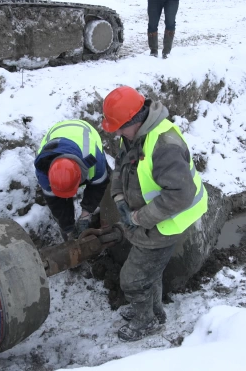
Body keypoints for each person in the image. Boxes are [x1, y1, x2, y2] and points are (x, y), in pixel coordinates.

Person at [101, 86, 208, 342]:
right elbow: (121, 167)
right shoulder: (131, 135)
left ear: (134, 120)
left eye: (118, 127)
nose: (115, 132)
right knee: (149, 272)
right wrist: (119, 196)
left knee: (133, 280)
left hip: (168, 221)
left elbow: (181, 194)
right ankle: (153, 311)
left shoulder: (163, 145)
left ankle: (146, 321)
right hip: (149, 216)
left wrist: (140, 218)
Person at [34, 120, 110, 241]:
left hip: (85, 131)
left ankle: (101, 213)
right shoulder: (43, 173)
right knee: (63, 216)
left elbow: (98, 186)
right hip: (58, 132)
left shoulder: (94, 160)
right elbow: (56, 203)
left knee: (105, 181)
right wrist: (68, 228)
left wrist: (86, 213)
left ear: (80, 177)